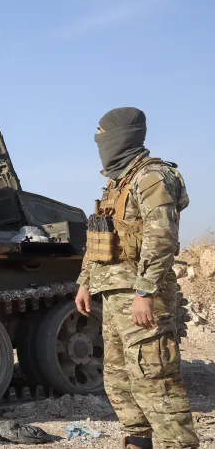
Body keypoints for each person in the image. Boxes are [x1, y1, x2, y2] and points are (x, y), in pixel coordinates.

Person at [74, 107, 198, 449]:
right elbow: (100, 236)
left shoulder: (152, 177)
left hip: (143, 295)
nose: (99, 142)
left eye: (103, 135)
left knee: (156, 380)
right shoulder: (117, 183)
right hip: (114, 294)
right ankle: (138, 441)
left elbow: (161, 240)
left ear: (121, 137)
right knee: (120, 380)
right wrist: (86, 281)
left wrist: (145, 292)